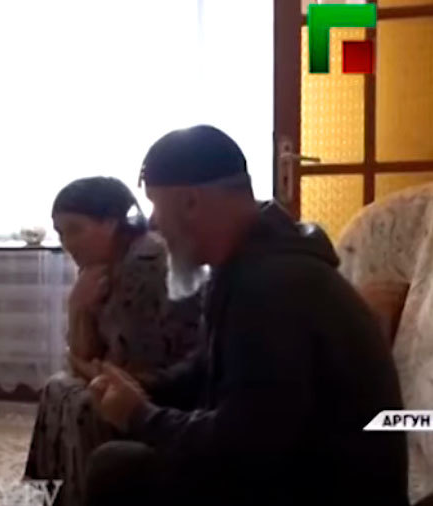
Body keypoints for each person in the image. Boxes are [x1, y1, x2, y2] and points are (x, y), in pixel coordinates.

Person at [83, 125, 408, 506]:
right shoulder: (249, 263)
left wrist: (140, 415)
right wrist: (146, 389)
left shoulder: (272, 287)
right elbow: (208, 370)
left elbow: (243, 447)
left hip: (322, 490)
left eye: (155, 203)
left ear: (190, 202)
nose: (153, 223)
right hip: (289, 471)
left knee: (117, 469)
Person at [24, 177, 202, 506]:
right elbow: (85, 356)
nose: (68, 244)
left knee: (82, 401)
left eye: (76, 230)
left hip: (178, 392)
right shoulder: (100, 267)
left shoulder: (145, 265)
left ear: (111, 223)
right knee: (57, 388)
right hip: (136, 378)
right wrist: (77, 308)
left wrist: (83, 358)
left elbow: (124, 372)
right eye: (61, 233)